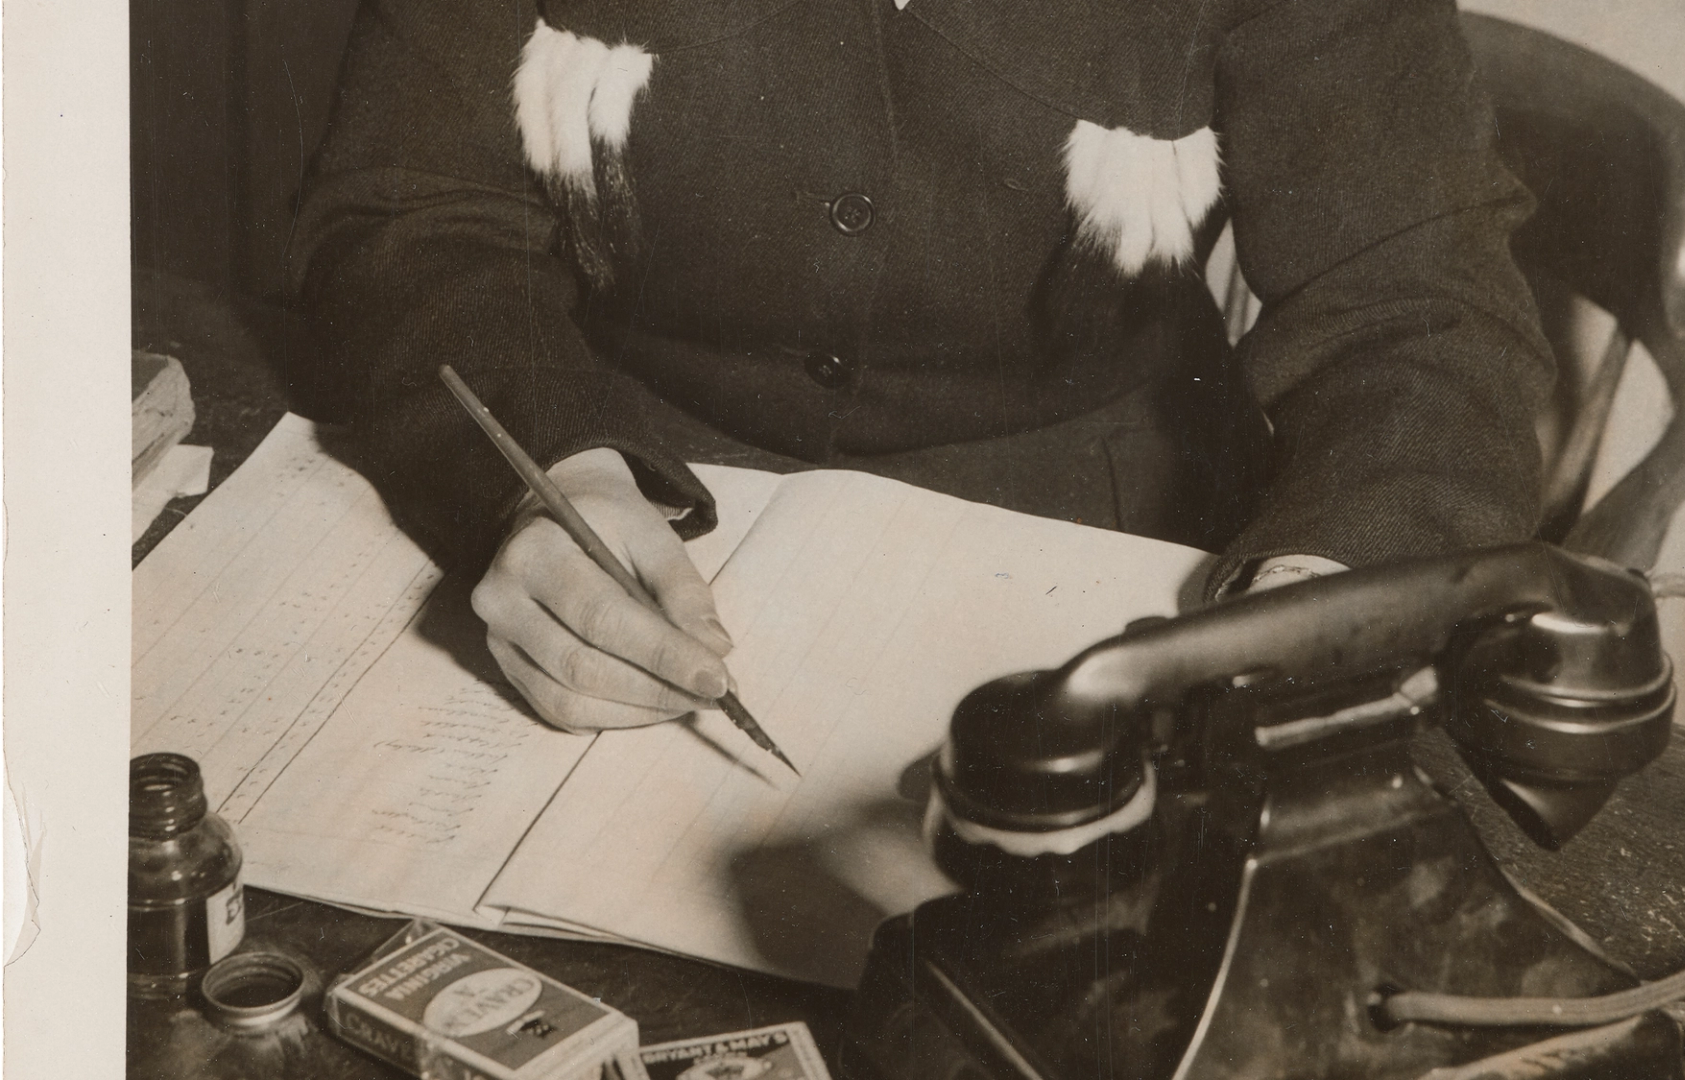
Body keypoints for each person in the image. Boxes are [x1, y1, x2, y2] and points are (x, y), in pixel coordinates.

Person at [289, 0, 1554, 735]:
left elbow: (1422, 314)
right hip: (624, 503)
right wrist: (545, 473)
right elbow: (415, 213)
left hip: (1102, 554)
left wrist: (1318, 608)